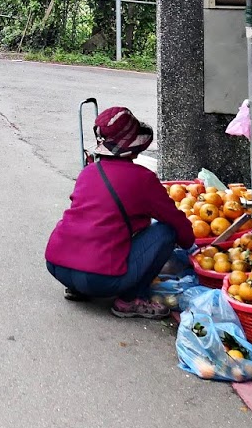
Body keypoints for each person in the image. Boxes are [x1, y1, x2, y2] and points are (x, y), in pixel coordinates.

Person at [44, 107, 192, 318]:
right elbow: (178, 226)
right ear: (133, 148)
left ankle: (78, 287)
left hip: (57, 265)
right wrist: (190, 243)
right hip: (98, 279)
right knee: (166, 232)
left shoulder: (88, 172)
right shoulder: (143, 179)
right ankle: (131, 300)